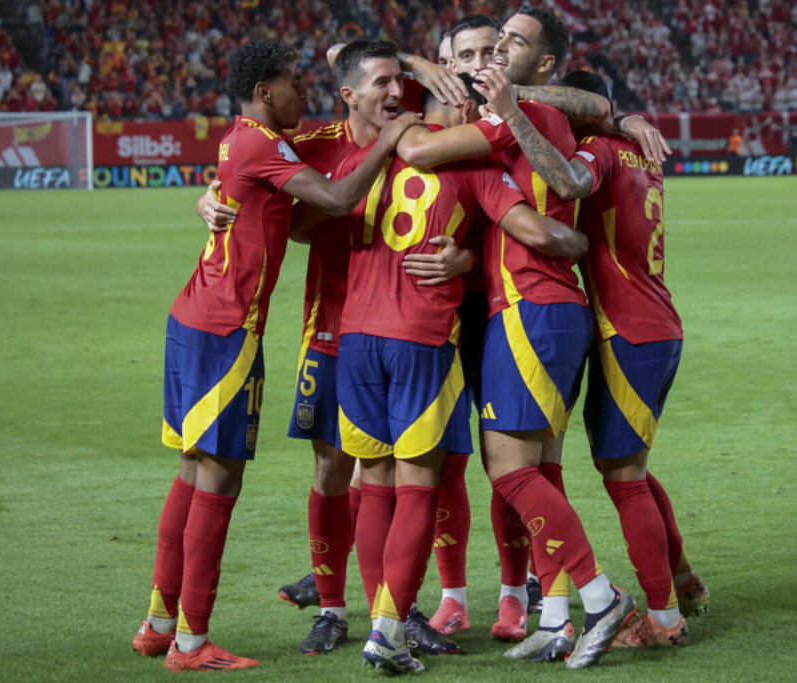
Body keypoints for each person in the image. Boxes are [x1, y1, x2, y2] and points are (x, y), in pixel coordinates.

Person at [131, 40, 419, 672]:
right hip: (226, 329)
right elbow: (336, 200)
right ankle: (190, 643)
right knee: (219, 481)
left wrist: (208, 196)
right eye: (294, 81)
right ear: (265, 91)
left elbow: (254, 193)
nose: (304, 92)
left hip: (195, 318)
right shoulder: (264, 142)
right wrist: (391, 139)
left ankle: (159, 623)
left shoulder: (243, 138)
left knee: (192, 472)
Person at [316, 51, 589, 674]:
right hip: (423, 338)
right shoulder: (475, 168)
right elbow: (534, 231)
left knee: (373, 483)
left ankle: (379, 618)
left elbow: (316, 214)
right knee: (420, 486)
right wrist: (576, 242)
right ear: (465, 106)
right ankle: (390, 630)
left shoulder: (363, 158)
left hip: (355, 338)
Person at [199, 40, 468, 659]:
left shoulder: (423, 136)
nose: (396, 91)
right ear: (350, 94)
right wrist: (210, 197)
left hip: (409, 329)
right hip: (332, 326)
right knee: (332, 469)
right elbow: (253, 183)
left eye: (401, 81)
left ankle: (396, 611)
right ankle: (331, 608)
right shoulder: (317, 142)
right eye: (383, 82)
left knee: (406, 474)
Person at [395, 6, 636, 669]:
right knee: (538, 468)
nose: (494, 53)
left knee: (507, 467)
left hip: (530, 307)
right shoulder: (530, 116)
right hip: (544, 308)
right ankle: (555, 618)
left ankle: (600, 595)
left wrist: (408, 117)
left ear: (540, 65)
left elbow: (417, 151)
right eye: (488, 44)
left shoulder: (516, 116)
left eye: (506, 44)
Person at [481, 66, 710, 649]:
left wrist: (515, 111)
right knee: (631, 469)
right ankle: (682, 580)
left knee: (625, 480)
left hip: (625, 328)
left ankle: (663, 620)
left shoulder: (601, 151)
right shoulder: (640, 154)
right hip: (654, 324)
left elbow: (567, 183)